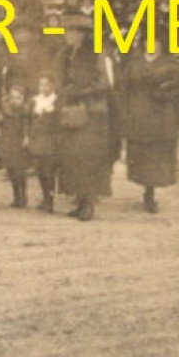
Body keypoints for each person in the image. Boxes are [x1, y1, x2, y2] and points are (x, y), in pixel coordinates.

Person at [51, 13, 118, 222]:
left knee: (89, 158)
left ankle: (88, 203)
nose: (67, 35)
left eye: (72, 32)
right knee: (72, 158)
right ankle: (79, 200)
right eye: (66, 31)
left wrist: (80, 91)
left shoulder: (97, 53)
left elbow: (106, 83)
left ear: (82, 34)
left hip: (93, 113)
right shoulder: (65, 54)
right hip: (71, 112)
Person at [119, 45, 179, 214]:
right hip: (139, 114)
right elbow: (123, 88)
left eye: (156, 41)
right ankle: (146, 187)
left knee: (156, 155)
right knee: (142, 155)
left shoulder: (170, 64)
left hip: (161, 117)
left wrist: (164, 94)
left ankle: (150, 194)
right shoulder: (133, 64)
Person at [27, 73, 62, 213]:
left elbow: (59, 121)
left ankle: (50, 200)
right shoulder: (35, 101)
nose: (43, 87)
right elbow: (29, 120)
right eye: (41, 84)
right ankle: (45, 198)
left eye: (46, 84)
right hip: (38, 139)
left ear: (52, 85)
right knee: (40, 171)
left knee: (49, 172)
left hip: (51, 140)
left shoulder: (57, 101)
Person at [0, 80, 33, 209]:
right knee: (11, 169)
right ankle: (16, 196)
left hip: (19, 142)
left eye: (18, 97)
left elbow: (27, 126)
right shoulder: (6, 110)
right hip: (8, 141)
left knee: (20, 170)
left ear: (23, 98)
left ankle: (23, 196)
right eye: (12, 97)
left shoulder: (25, 111)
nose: (15, 100)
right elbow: (1, 124)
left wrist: (26, 137)